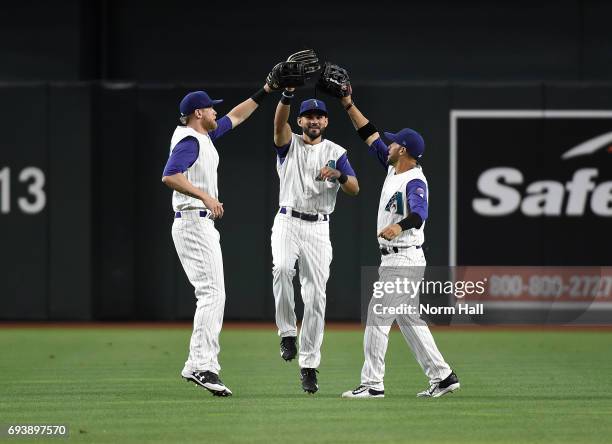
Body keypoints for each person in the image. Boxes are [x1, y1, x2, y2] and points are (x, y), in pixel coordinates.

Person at [338, 91, 460, 398]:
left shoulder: (414, 180)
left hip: (404, 258)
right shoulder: (394, 167)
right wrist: (348, 104)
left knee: (378, 315)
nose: (387, 144)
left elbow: (420, 214)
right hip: (394, 259)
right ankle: (443, 376)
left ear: (402, 149)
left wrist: (398, 225)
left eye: (393, 142)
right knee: (409, 321)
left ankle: (372, 384)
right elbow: (369, 134)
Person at [161, 84, 273, 397]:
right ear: (198, 113)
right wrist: (205, 195)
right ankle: (201, 366)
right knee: (212, 294)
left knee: (212, 294)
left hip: (196, 223)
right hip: (193, 221)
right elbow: (170, 175)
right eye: (211, 108)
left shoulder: (203, 137)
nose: (216, 112)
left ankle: (198, 364)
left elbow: (236, 116)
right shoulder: (190, 141)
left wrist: (267, 90)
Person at [271, 89, 359, 393]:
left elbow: (355, 189)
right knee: (282, 269)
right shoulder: (289, 143)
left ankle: (309, 365)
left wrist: (339, 174)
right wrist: (286, 95)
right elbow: (278, 125)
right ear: (300, 120)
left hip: (319, 227)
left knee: (316, 296)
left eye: (320, 115)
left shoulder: (337, 151)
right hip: (288, 218)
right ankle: (286, 332)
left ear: (326, 121)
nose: (315, 120)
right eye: (309, 116)